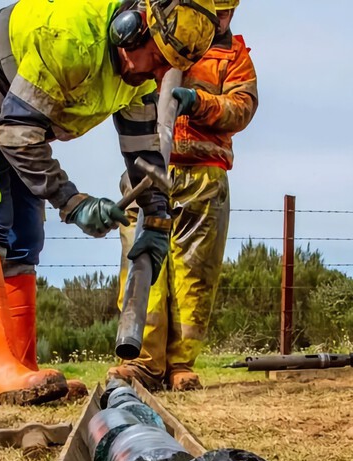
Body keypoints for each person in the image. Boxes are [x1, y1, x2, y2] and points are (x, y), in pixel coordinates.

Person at [0, 0, 217, 405]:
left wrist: (158, 219)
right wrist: (74, 202)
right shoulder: (72, 39)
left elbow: (144, 157)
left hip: (18, 122)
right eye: (158, 59)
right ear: (131, 29)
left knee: (25, 236)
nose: (160, 75)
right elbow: (15, 134)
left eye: (171, 69)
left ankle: (22, 372)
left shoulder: (141, 74)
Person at [111, 0, 258, 392]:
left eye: (227, 11)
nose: (221, 19)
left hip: (204, 173)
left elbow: (242, 109)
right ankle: (142, 361)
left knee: (194, 272)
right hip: (148, 167)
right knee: (142, 259)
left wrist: (199, 103)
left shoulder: (235, 56)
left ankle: (180, 365)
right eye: (217, 10)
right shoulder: (162, 37)